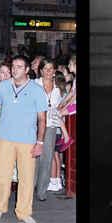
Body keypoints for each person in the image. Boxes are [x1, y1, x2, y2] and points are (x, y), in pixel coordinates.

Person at [0, 55, 47, 223]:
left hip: (27, 140)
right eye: (13, 66)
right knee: (3, 175)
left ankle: (24, 212)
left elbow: (42, 119)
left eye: (19, 67)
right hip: (5, 137)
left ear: (27, 70)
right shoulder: (3, 86)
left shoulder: (36, 90)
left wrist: (40, 142)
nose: (15, 70)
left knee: (26, 178)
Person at [34, 59, 63, 200]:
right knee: (33, 157)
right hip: (34, 124)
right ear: (40, 71)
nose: (48, 71)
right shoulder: (34, 84)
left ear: (54, 71)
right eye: (45, 68)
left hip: (51, 126)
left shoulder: (58, 87)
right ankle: (29, 187)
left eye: (51, 69)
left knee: (47, 158)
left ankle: (41, 190)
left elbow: (61, 107)